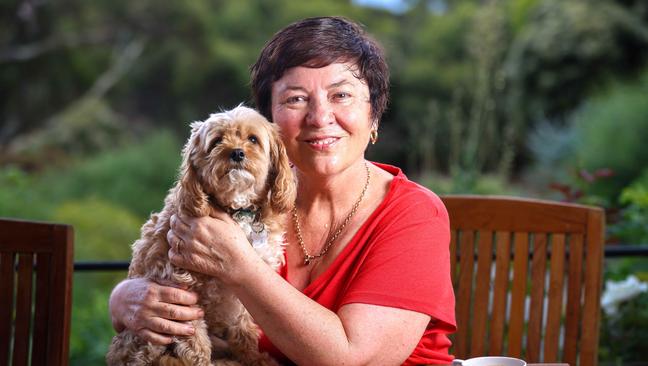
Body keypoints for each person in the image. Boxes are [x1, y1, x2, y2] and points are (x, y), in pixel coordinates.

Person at [109, 16, 456, 365]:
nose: (320, 117)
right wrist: (125, 299)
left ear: (374, 116)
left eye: (341, 95)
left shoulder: (414, 215)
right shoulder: (241, 197)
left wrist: (240, 265)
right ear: (269, 121)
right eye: (295, 99)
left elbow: (352, 359)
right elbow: (172, 272)